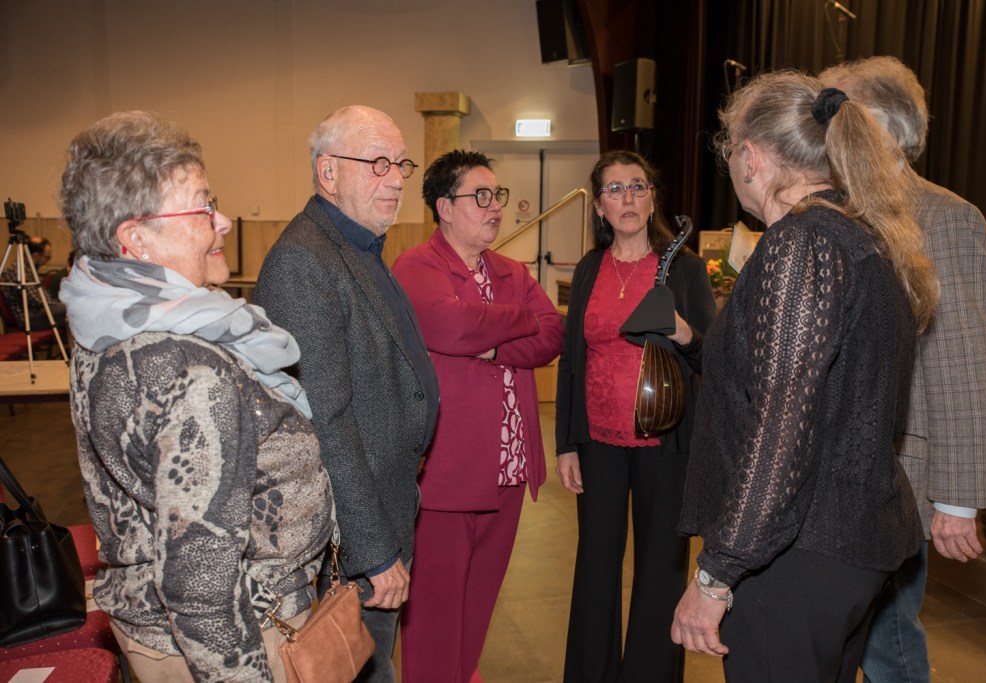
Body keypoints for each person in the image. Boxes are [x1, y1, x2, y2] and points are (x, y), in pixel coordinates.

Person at [670, 72, 940, 682]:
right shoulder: (858, 232)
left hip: (796, 549)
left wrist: (717, 573)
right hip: (845, 540)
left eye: (730, 151)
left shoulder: (802, 244)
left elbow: (779, 431)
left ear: (752, 157)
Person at [57, 111, 336, 682]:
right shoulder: (190, 371)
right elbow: (201, 582)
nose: (224, 221)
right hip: (240, 635)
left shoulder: (103, 316)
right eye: (202, 207)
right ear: (136, 238)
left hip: (158, 623)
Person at [819, 56, 986, 683]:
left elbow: (966, 364)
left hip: (899, 481)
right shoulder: (830, 210)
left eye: (832, 109)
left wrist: (957, 500)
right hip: (831, 478)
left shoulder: (944, 217)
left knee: (888, 642)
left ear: (879, 123)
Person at [254, 105, 439, 683]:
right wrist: (374, 550)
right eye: (378, 163)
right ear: (328, 172)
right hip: (351, 540)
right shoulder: (303, 261)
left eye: (401, 164)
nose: (397, 178)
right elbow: (324, 421)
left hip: (383, 506)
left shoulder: (356, 246)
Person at [391, 150, 563, 682]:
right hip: (448, 475)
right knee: (434, 617)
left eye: (498, 196)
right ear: (444, 207)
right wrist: (516, 321)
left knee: (477, 609)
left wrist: (492, 346)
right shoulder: (417, 265)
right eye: (481, 196)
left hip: (507, 472)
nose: (495, 207)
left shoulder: (511, 271)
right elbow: (451, 326)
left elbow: (552, 334)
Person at [556, 149, 717, 682]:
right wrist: (566, 443)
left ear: (652, 199)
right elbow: (572, 362)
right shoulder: (588, 269)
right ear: (599, 206)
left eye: (637, 186)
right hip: (598, 442)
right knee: (594, 568)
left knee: (660, 574)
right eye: (615, 189)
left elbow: (715, 358)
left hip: (666, 443)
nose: (627, 197)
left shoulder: (685, 268)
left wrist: (685, 333)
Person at [1, 235, 67, 331]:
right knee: (74, 308)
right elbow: (37, 300)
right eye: (47, 257)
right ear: (36, 256)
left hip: (37, 312)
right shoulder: (19, 271)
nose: (48, 260)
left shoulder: (29, 269)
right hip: (30, 318)